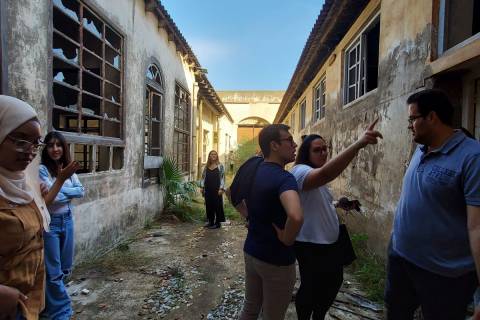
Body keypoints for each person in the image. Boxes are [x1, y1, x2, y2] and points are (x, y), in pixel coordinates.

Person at [385, 89, 480, 320]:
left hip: (444, 274)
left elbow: (477, 227)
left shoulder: (472, 157)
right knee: (396, 312)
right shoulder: (421, 148)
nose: (409, 125)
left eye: (412, 119)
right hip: (400, 255)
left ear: (432, 117)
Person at [291, 119, 382, 320]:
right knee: (311, 287)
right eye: (317, 150)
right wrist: (359, 143)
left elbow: (315, 198)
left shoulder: (313, 173)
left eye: (325, 149)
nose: (323, 153)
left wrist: (337, 204)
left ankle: (319, 316)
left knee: (333, 282)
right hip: (311, 244)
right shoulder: (300, 171)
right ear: (306, 153)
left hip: (329, 242)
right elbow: (325, 174)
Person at [0, 95, 77, 320]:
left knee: (61, 269)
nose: (30, 151)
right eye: (20, 140)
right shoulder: (39, 174)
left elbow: (52, 201)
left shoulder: (25, 181)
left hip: (27, 304)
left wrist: (61, 180)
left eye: (35, 143)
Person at [239, 124, 303, 320]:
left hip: (252, 252)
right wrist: (287, 238)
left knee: (250, 308)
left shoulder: (254, 171)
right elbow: (296, 216)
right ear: (274, 145)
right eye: (289, 141)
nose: (295, 145)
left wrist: (248, 217)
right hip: (276, 261)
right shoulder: (284, 178)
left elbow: (233, 194)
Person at [39, 131, 83, 320]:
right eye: (50, 145)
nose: (55, 149)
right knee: (54, 272)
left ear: (64, 148)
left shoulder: (67, 167)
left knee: (66, 268)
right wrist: (66, 187)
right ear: (46, 148)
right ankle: (61, 312)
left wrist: (59, 184)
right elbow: (52, 199)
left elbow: (81, 191)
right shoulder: (42, 169)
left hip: (67, 219)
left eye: (59, 145)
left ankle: (52, 306)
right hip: (51, 224)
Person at [199, 150, 225, 229]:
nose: (213, 155)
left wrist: (221, 188)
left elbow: (223, 178)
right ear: (209, 156)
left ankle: (218, 223)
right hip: (208, 189)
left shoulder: (220, 166)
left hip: (217, 190)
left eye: (215, 154)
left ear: (217, 156)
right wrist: (202, 187)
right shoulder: (206, 167)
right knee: (209, 205)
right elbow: (203, 177)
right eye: (211, 154)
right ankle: (210, 222)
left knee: (217, 205)